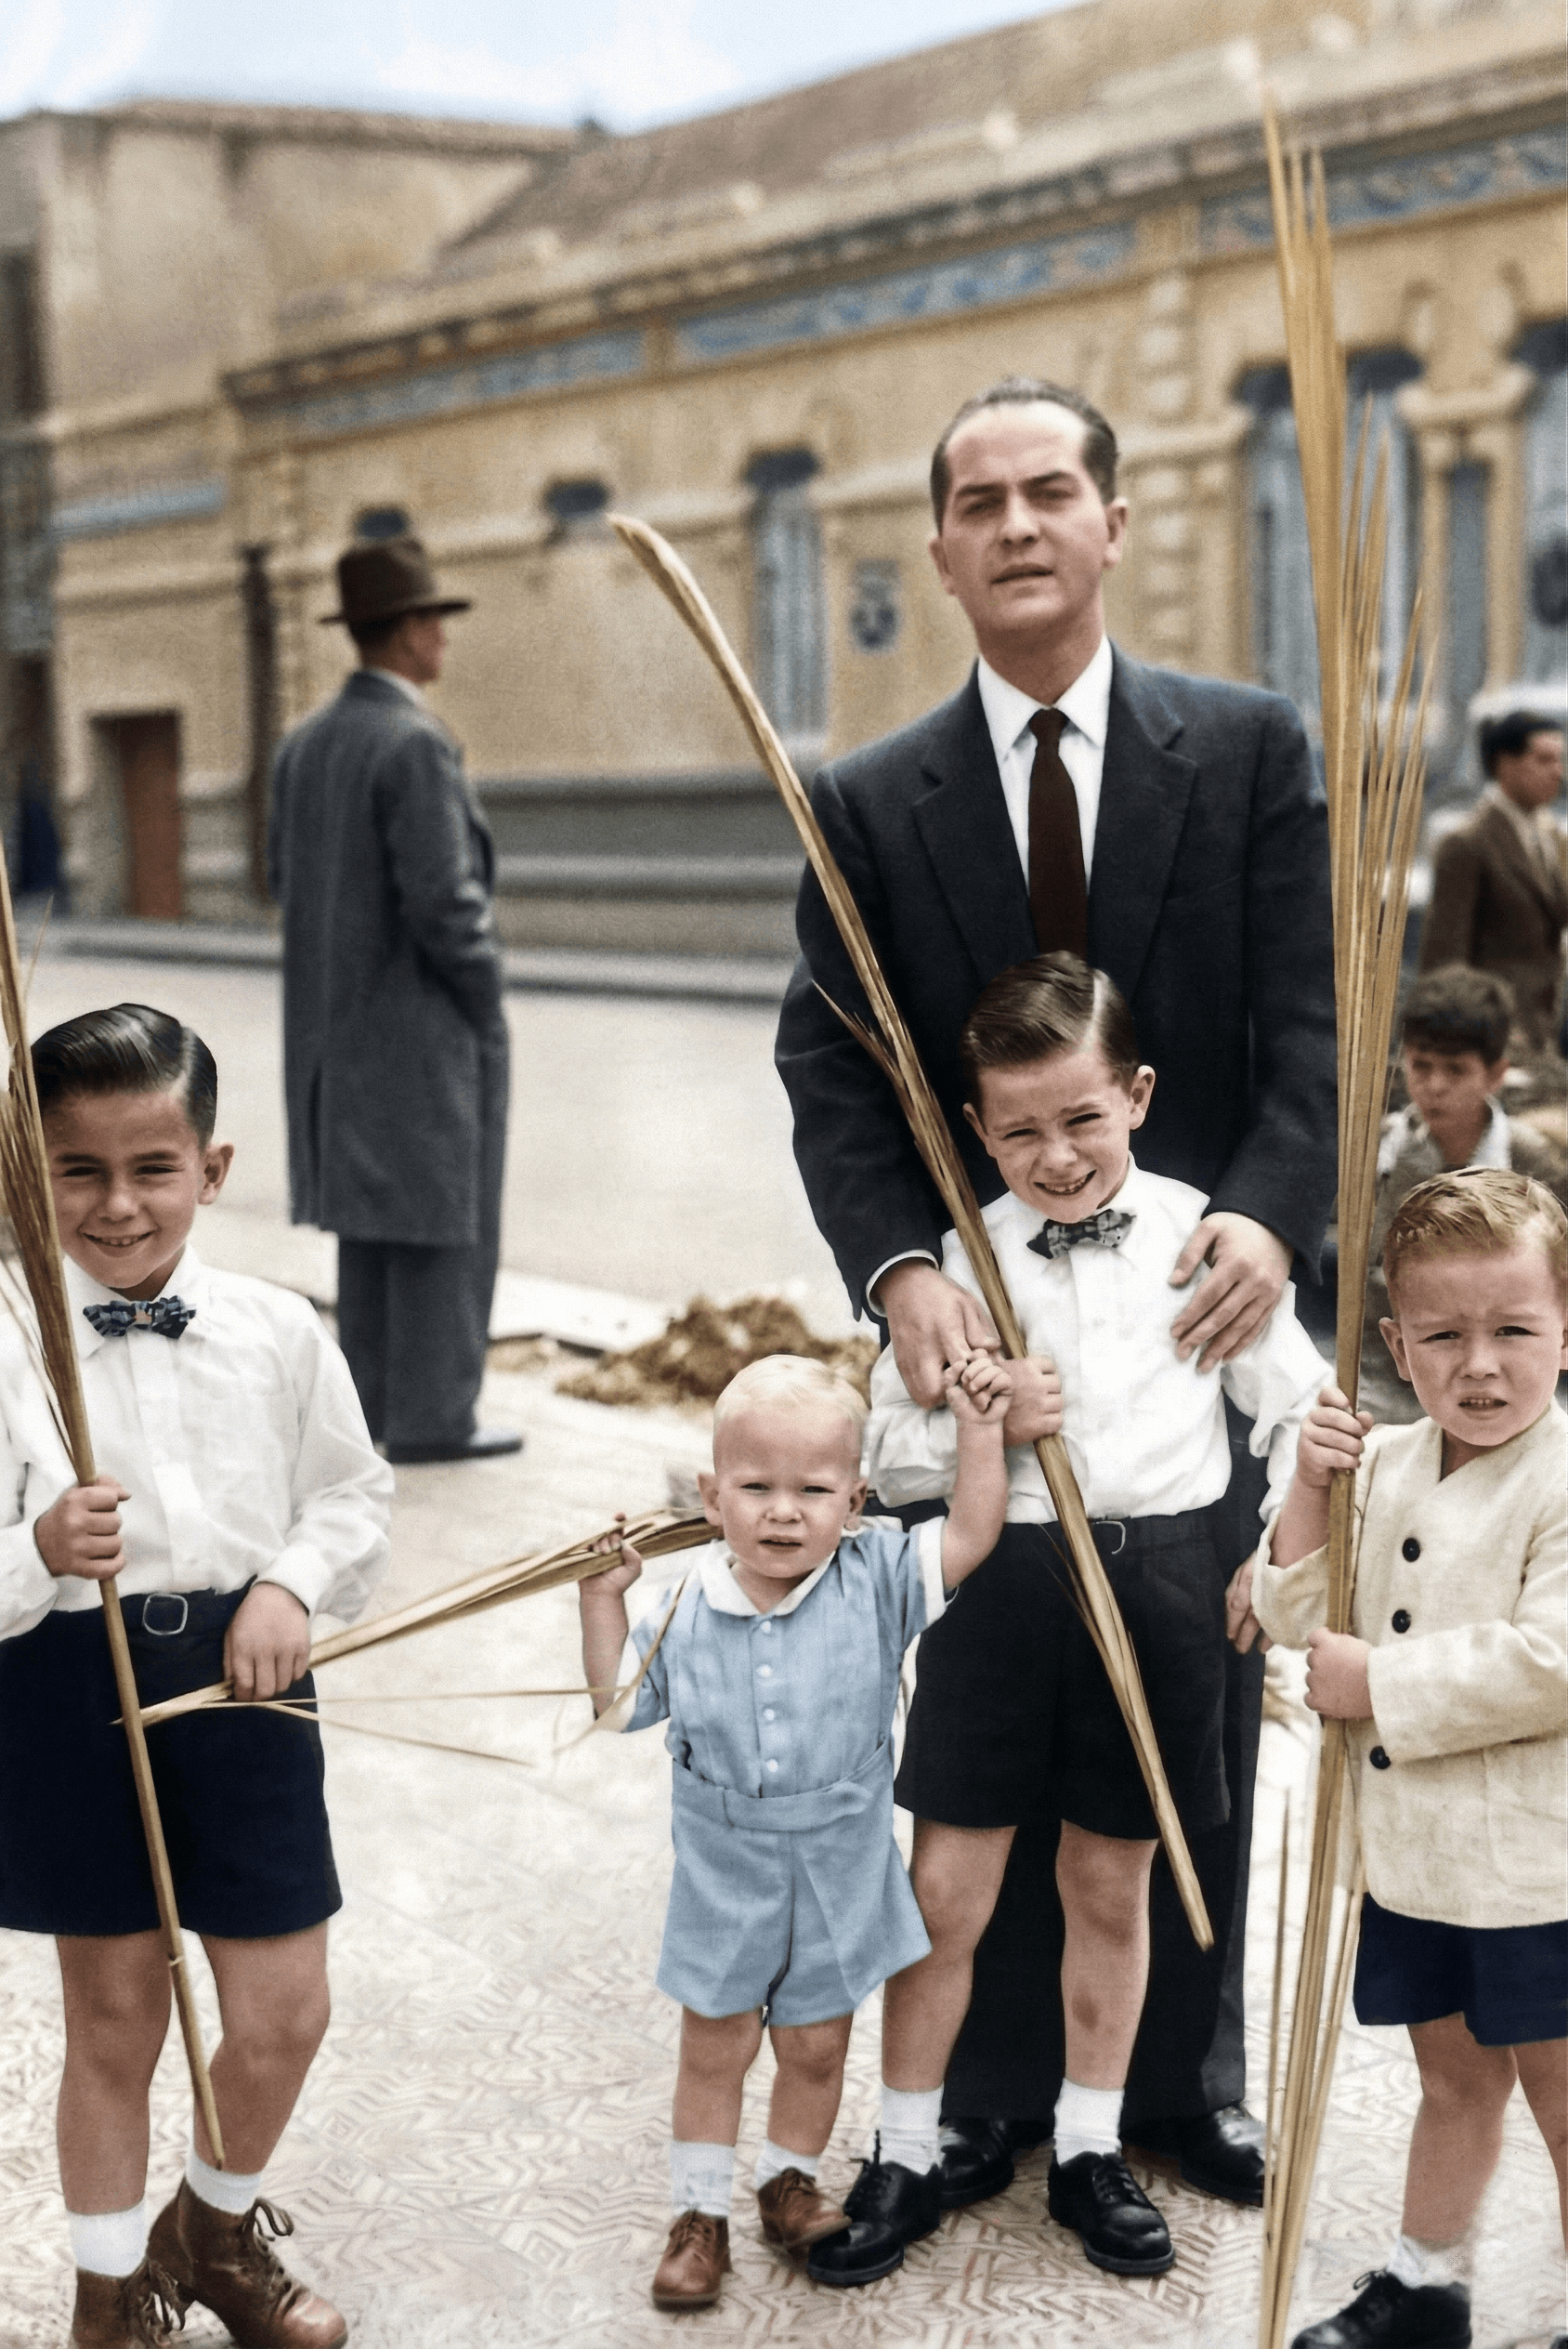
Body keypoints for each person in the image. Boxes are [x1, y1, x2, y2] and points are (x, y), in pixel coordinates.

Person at [774, 375, 1337, 2206]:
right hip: (995, 1375)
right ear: (937, 549)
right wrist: (900, 1268)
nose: (1016, 524)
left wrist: (1263, 1214)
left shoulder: (1246, 747)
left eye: (1050, 492)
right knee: (990, 1755)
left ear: (1112, 522)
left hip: (1197, 1330)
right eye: (977, 501)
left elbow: (1315, 1027)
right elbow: (836, 1075)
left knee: (1188, 1710)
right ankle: (986, 2099)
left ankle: (1186, 2080)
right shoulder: (866, 803)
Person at [801, 954, 1326, 2286]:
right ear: (978, 1130)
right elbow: (892, 1451)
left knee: (1111, 1880)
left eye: (1083, 1118)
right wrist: (981, 1414)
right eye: (1021, 1129)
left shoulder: (1206, 1238)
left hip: (1159, 1589)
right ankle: (908, 2141)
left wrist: (1269, 1564)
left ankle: (1091, 2144)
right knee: (949, 1888)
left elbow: (1296, 1408)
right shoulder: (963, 1260)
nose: (1057, 1154)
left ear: (1138, 1098)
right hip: (1002, 1590)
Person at [0, 1004, 391, 2349]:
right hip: (60, 1681)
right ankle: (108, 2298)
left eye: (152, 1168)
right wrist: (37, 1550)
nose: (117, 1207)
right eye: (77, 1169)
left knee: (285, 2011)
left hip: (246, 1684)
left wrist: (290, 1582)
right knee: (115, 2018)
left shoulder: (279, 1328)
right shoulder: (5, 1339)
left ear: (211, 1171)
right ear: (21, 1168)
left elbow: (355, 1497)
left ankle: (213, 2233)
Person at [577, 1349, 1013, 2313]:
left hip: (839, 1867)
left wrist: (982, 1430)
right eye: (755, 1486)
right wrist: (601, 1598)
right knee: (715, 2044)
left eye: (812, 1489)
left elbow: (974, 1529)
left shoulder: (879, 1577)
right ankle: (697, 2213)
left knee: (816, 2044)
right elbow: (614, 1707)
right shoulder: (681, 1604)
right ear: (710, 1493)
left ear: (854, 1499)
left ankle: (786, 2177)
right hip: (723, 1873)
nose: (783, 1510)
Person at [1244, 1167, 1566, 2349]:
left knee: (1562, 2101)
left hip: (1537, 1871)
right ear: (1393, 1339)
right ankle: (1426, 2280)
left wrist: (1373, 1683)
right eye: (1442, 1335)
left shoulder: (1563, 1479)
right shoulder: (1379, 1464)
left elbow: (1550, 1662)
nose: (1477, 1364)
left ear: (1566, 1323)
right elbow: (1285, 1611)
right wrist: (1306, 1487)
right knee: (1453, 2079)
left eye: (1512, 1330)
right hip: (1415, 1861)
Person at [268, 532, 519, 1465]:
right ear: (410, 631)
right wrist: (486, 992)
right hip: (421, 1032)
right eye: (434, 623)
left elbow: (278, 878)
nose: (441, 644)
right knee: (446, 1223)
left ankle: (371, 1405)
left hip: (333, 1037)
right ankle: (436, 1417)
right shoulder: (412, 742)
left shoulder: (305, 745)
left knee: (370, 1232)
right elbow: (445, 902)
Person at [1362, 965, 1567, 1423]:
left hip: (1497, 1380)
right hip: (1389, 1371)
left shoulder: (1531, 1163)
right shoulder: (1379, 1153)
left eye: (1455, 1069)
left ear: (1495, 1074)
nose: (1434, 1086)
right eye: (1421, 1065)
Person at [1419, 710, 1568, 1056]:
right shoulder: (1468, 844)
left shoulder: (1548, 837)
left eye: (1560, 760)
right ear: (1505, 764)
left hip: (1543, 1032)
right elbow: (1444, 963)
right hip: (1497, 1036)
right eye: (1543, 759)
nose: (1557, 772)